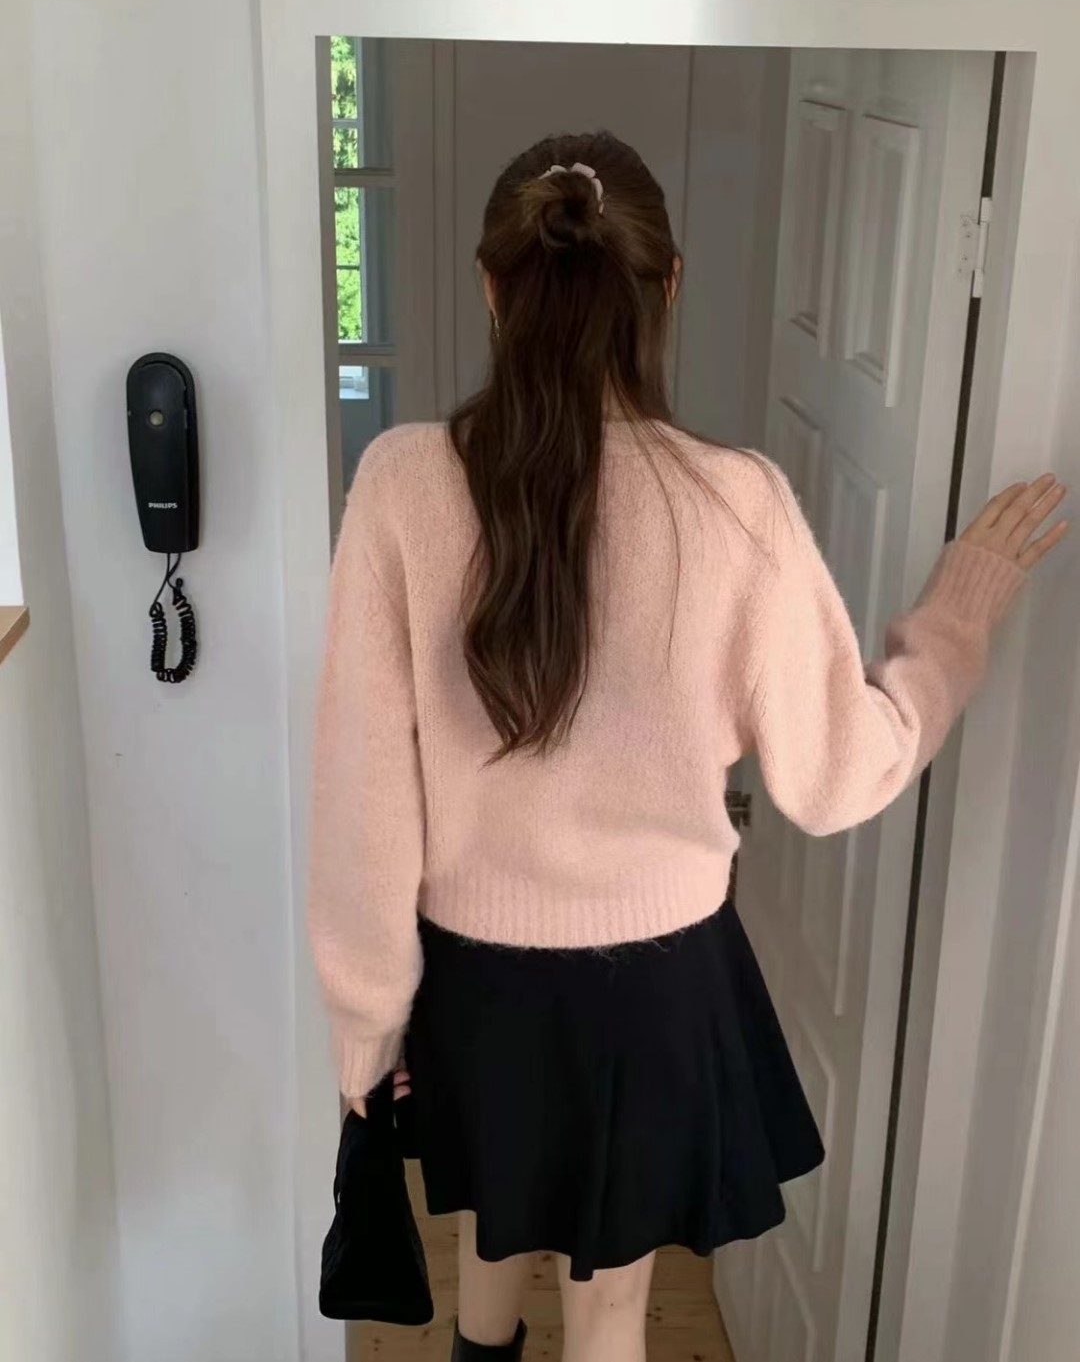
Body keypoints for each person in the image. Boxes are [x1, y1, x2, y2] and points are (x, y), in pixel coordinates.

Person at [307, 131, 1067, 1362]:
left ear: (493, 286)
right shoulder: (736, 502)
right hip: (656, 991)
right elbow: (837, 775)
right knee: (609, 1305)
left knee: (491, 1247)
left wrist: (366, 1020)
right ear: (668, 285)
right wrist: (954, 619)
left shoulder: (401, 483)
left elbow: (363, 792)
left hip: (477, 983)